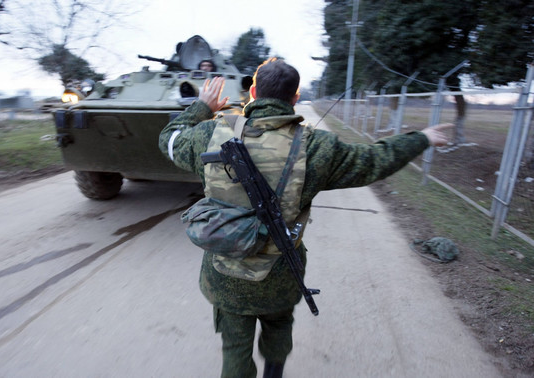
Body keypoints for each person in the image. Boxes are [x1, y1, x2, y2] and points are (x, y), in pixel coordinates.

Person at [158, 58, 452, 378]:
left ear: (253, 92)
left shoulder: (209, 133)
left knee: (234, 347)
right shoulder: (317, 147)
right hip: (282, 275)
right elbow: (374, 161)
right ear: (295, 98)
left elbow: (169, 139)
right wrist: (420, 139)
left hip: (225, 275)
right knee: (279, 330)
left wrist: (202, 106)